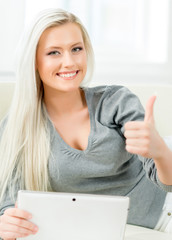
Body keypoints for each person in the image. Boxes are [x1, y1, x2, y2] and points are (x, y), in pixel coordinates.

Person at [0, 8, 172, 239]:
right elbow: (9, 204)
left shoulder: (115, 101)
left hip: (164, 211)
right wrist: (7, 222)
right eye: (54, 53)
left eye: (76, 49)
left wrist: (161, 151)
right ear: (34, 61)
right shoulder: (17, 128)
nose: (69, 62)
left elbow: (167, 183)